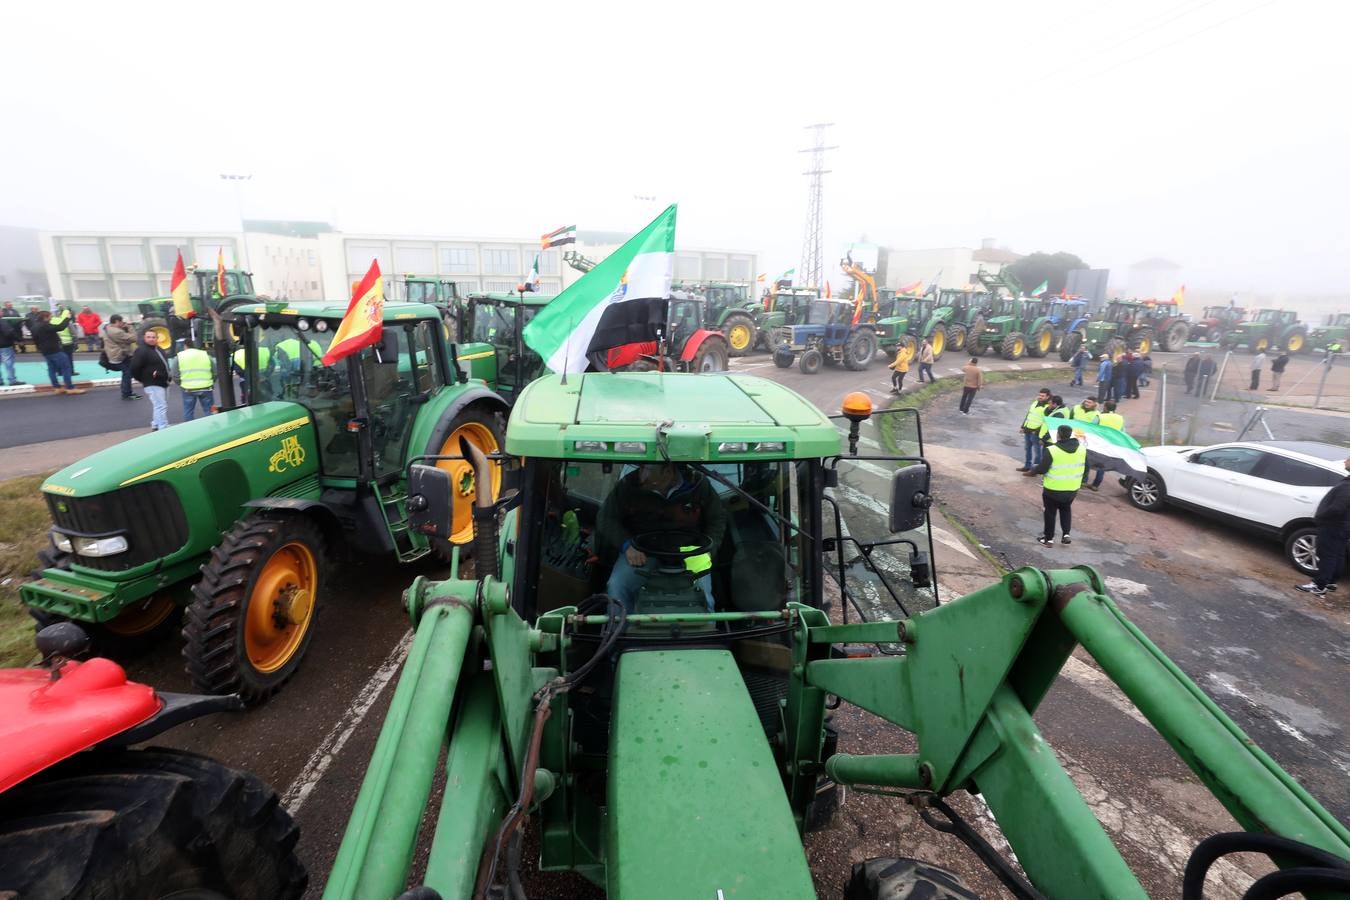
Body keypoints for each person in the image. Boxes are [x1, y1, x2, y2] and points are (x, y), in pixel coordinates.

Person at [596, 462, 728, 611]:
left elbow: (717, 518)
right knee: (617, 586)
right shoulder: (629, 485)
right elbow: (605, 518)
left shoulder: (697, 484)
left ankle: (707, 630)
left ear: (668, 471)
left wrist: (708, 551)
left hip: (689, 553)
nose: (643, 478)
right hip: (642, 552)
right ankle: (617, 631)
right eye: (642, 468)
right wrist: (626, 546)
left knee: (705, 596)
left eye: (649, 472)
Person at [1296, 455, 1350, 596]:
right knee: (1337, 555)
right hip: (1344, 527)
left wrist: (1321, 516)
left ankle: (1319, 585)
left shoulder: (1347, 486)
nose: (1345, 460)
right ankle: (1331, 582)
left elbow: (1338, 508)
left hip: (1334, 526)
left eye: (1348, 459)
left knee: (1327, 555)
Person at [1035, 424, 1085, 546]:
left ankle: (1048, 538)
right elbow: (1087, 467)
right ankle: (1066, 534)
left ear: (1059, 435)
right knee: (1066, 509)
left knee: (1050, 512)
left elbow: (1042, 469)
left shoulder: (1052, 450)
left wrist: (1033, 470)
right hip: (1072, 488)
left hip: (1053, 488)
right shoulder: (1082, 449)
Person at [32, 311, 85, 395]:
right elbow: (60, 327)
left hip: (45, 351)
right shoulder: (45, 325)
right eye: (50, 316)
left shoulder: (34, 326)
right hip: (54, 350)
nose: (51, 318)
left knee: (51, 369)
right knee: (66, 367)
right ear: (45, 317)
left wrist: (40, 349)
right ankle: (70, 388)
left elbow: (35, 340)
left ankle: (57, 387)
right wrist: (67, 318)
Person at [129, 329, 171, 431]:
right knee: (161, 405)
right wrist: (143, 379)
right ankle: (163, 427)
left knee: (158, 405)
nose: (151, 339)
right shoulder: (142, 351)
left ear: (157, 338)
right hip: (153, 383)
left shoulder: (158, 349)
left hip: (161, 382)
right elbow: (134, 368)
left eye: (153, 337)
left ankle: (156, 424)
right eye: (149, 337)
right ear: (144, 338)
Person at [173, 340, 215, 421]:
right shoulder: (205, 355)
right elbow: (215, 372)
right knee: (209, 411)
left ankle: (190, 430)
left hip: (188, 389)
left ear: (185, 346)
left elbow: (175, 375)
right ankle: (212, 427)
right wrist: (211, 382)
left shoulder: (179, 357)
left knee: (188, 412)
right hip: (206, 388)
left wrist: (181, 384)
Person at [1087, 401, 1125, 491]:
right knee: (1102, 464)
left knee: (1088, 459)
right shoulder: (1120, 418)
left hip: (1098, 443)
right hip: (1111, 444)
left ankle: (1083, 480)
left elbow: (1090, 428)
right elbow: (1122, 432)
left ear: (1105, 408)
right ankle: (1096, 484)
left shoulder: (1100, 417)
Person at [104, 315, 141, 400]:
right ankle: (127, 394)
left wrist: (124, 328)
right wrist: (130, 327)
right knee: (127, 374)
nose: (122, 323)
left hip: (115, 354)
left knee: (127, 373)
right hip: (120, 356)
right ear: (117, 321)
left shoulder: (108, 327)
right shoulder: (116, 332)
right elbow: (134, 338)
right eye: (121, 322)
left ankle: (126, 392)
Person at [1017, 388, 1052, 473]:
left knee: (1037, 452)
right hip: (1027, 430)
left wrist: (1037, 431)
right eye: (1039, 395)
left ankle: (1035, 469)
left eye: (1042, 396)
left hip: (1036, 433)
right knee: (1027, 449)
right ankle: (1027, 466)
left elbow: (1046, 422)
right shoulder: (1035, 402)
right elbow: (1029, 415)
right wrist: (1023, 426)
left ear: (1048, 397)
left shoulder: (1048, 407)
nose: (1040, 397)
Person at [50, 304, 79, 375]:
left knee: (59, 358)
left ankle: (60, 372)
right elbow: (74, 333)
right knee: (69, 358)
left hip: (57, 343)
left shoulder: (53, 320)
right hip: (68, 343)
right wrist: (75, 343)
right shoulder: (67, 322)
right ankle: (70, 371)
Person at [0, 315, 23, 386]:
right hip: (4, 345)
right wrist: (19, 340)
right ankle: (12, 380)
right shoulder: (2, 322)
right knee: (8, 363)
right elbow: (9, 332)